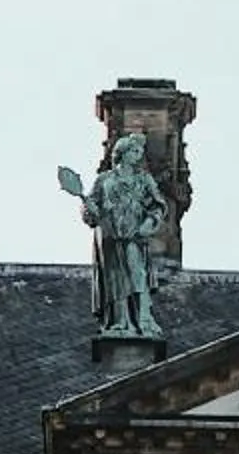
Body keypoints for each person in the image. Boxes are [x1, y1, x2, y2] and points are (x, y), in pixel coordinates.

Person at [70, 133, 168, 342]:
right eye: (134, 151)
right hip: (110, 236)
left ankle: (143, 320)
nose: (138, 156)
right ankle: (119, 321)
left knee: (136, 274)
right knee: (116, 278)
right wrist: (89, 210)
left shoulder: (144, 179)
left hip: (134, 234)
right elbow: (91, 210)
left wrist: (149, 224)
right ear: (121, 153)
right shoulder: (105, 180)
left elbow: (158, 206)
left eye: (139, 152)